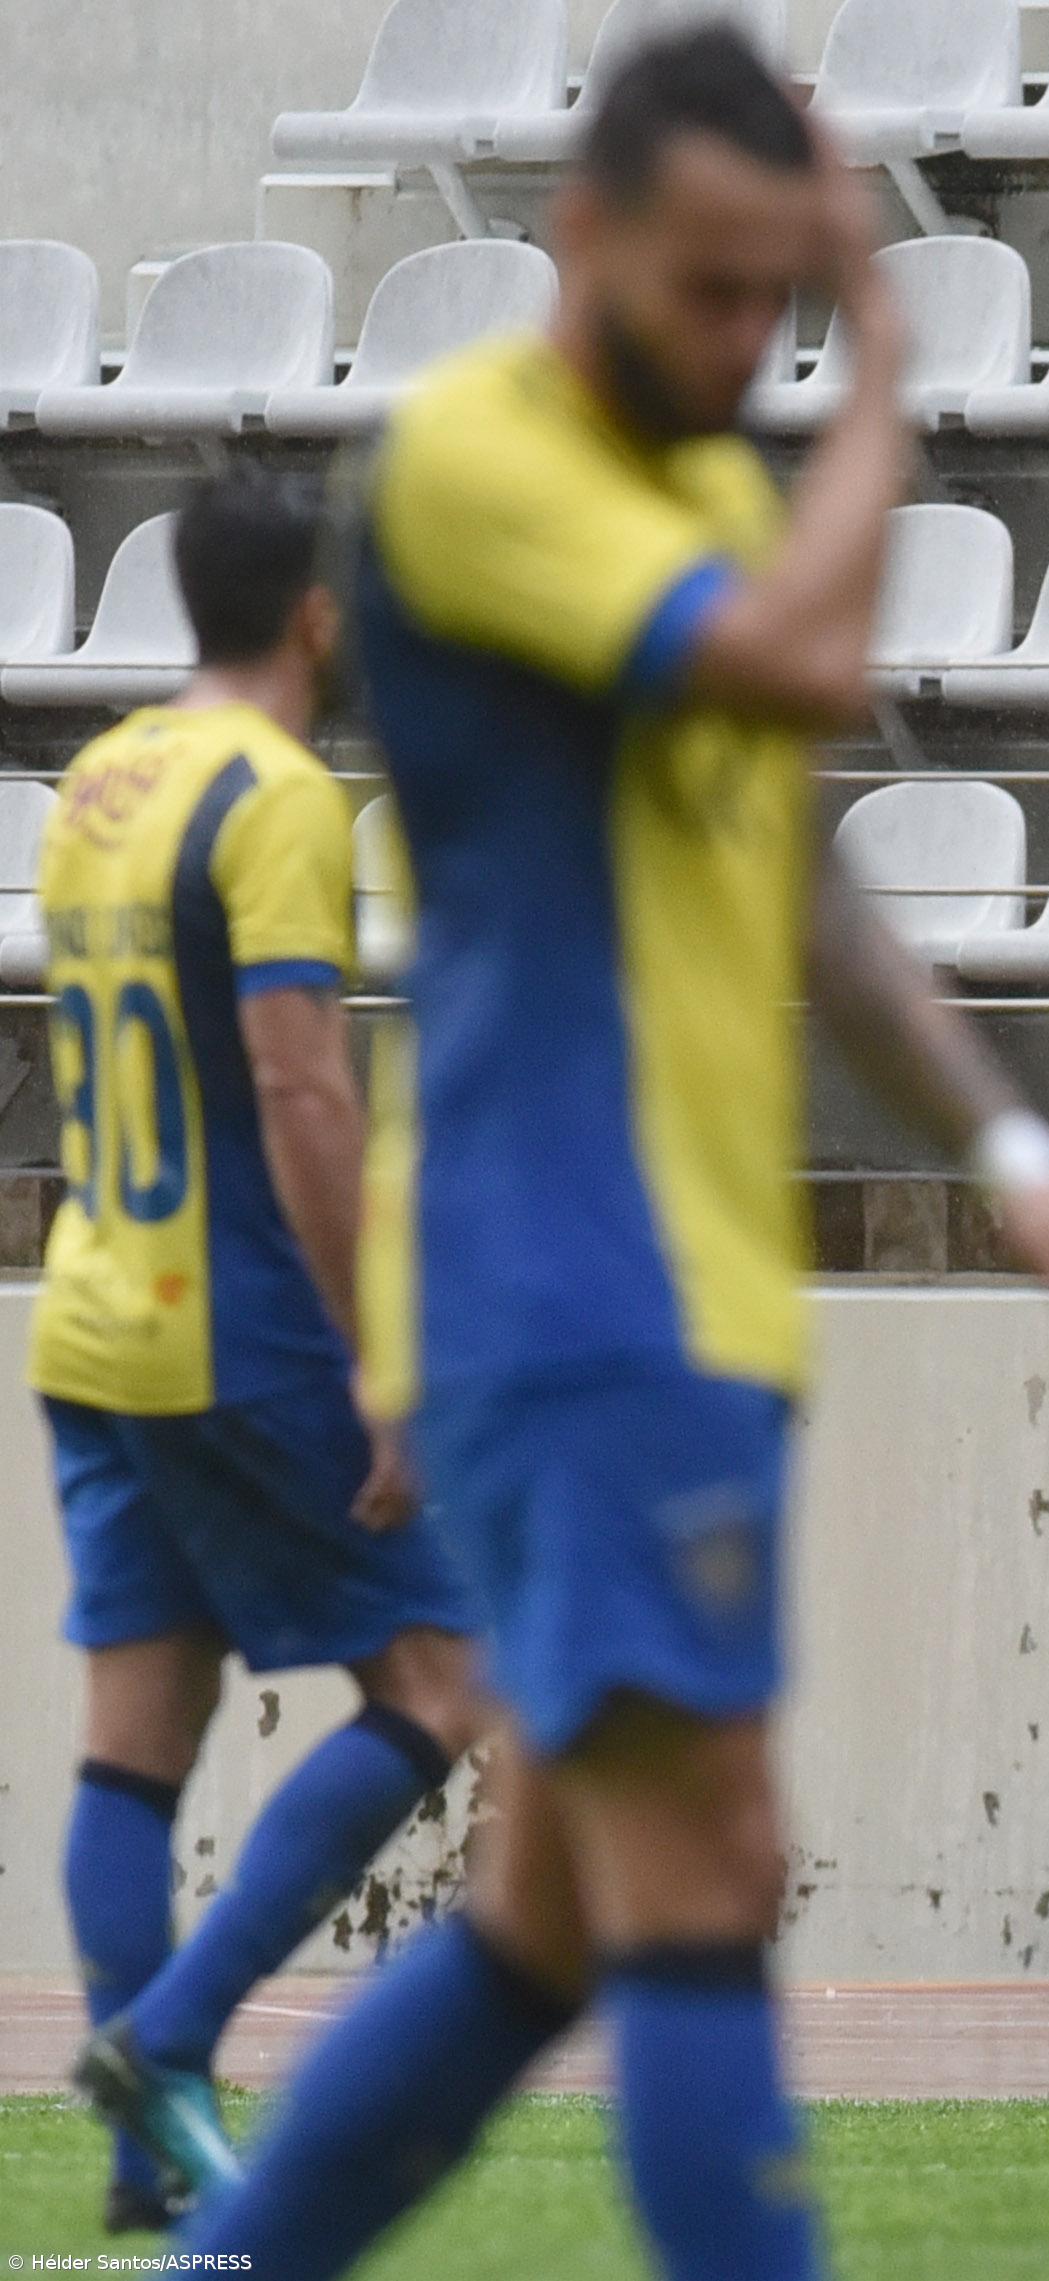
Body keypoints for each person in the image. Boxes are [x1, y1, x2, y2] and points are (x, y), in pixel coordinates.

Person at [184, 30, 1049, 2275]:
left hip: (687, 1288)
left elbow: (798, 883)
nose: (742, 342)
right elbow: (813, 660)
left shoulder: (706, 497)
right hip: (565, 1272)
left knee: (543, 1920)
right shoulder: (466, 467)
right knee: (708, 1852)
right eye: (710, 290)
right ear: (580, 241)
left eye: (776, 304)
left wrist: (1011, 1146)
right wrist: (892, 347)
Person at [41, 473, 485, 2234]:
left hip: (93, 1306)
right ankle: (168, 2036)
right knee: (448, 1681)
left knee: (133, 1740)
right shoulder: (278, 795)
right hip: (231, 1319)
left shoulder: (105, 777)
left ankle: (148, 2157)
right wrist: (381, 1357)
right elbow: (302, 1086)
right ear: (316, 614)